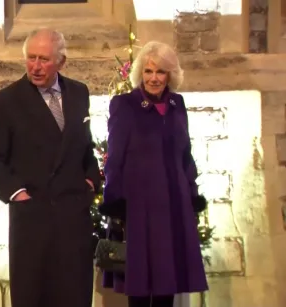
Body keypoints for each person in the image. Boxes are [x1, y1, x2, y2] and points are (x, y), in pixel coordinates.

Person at [0, 28, 100, 307]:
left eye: (43, 59)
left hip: (73, 218)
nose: (35, 66)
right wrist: (18, 194)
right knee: (35, 296)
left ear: (61, 61)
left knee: (74, 295)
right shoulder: (4, 102)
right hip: (33, 221)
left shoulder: (79, 93)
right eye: (31, 58)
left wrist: (91, 180)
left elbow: (84, 146)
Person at [98, 41, 209, 307]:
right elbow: (115, 157)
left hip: (174, 205)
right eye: (148, 71)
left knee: (167, 283)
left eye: (160, 72)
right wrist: (114, 201)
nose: (154, 78)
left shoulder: (176, 103)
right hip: (139, 207)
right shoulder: (124, 105)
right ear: (140, 74)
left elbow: (185, 154)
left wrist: (192, 196)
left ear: (170, 74)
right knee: (139, 284)